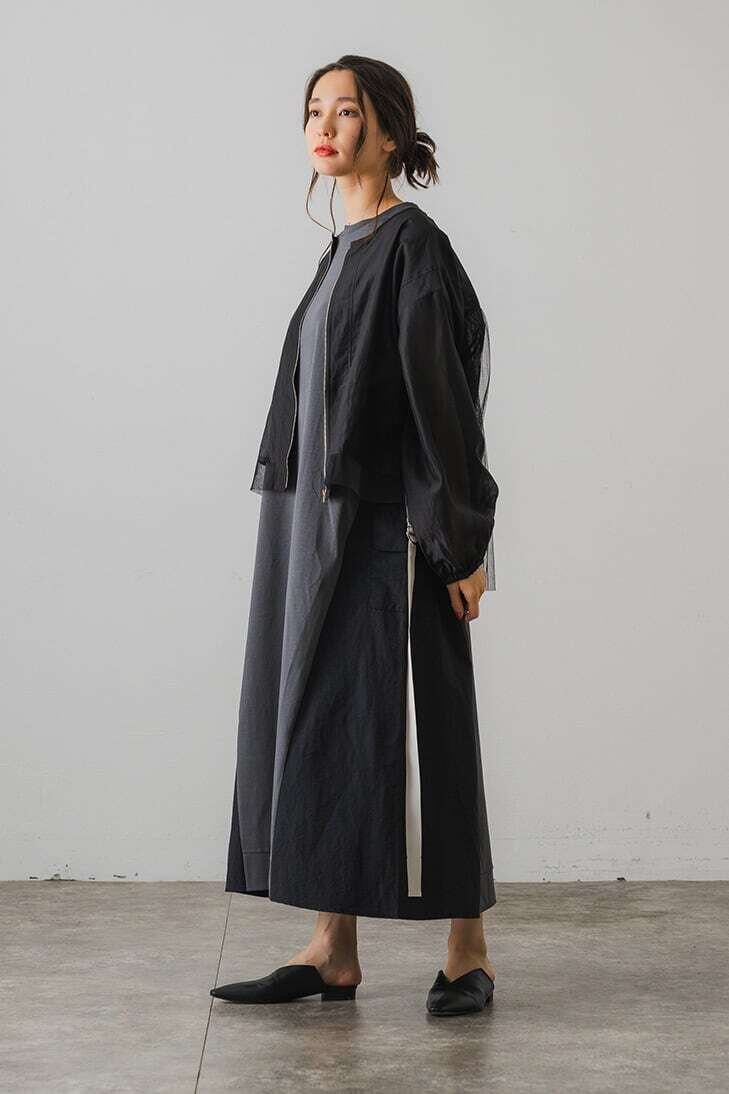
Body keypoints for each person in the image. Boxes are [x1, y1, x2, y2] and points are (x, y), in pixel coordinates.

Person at [211, 54, 500, 1017]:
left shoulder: (411, 246)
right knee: (326, 720)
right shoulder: (341, 249)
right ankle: (331, 947)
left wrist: (462, 542)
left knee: (428, 723)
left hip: (392, 532)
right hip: (314, 526)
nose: (325, 127)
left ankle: (467, 950)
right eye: (313, 111)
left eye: (345, 111)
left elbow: (443, 405)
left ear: (388, 132)